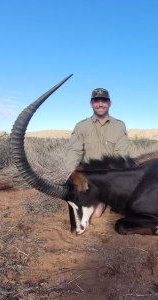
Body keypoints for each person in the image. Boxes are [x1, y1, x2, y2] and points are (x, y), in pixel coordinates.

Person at [65, 87, 129, 217]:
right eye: (96, 100)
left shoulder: (119, 125)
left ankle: (109, 198)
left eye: (104, 100)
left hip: (111, 176)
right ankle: (101, 199)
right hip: (89, 177)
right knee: (94, 213)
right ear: (91, 104)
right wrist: (72, 171)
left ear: (109, 103)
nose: (100, 104)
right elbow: (74, 150)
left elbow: (121, 154)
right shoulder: (81, 126)